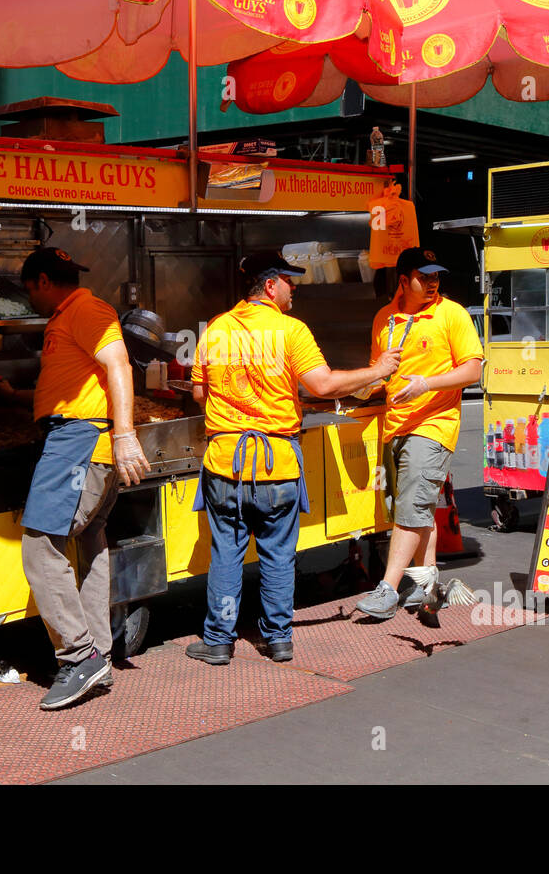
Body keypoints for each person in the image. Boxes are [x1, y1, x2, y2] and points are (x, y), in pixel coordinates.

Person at [183, 251, 402, 665]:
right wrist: (377, 370)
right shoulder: (292, 331)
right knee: (278, 556)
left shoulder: (215, 329)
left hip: (224, 463)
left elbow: (198, 393)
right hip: (276, 464)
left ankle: (218, 641)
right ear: (269, 285)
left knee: (226, 553)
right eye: (288, 279)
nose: (293, 287)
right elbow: (321, 385)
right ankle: (278, 639)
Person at [11, 247, 150, 709]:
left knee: (40, 544)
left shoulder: (87, 309)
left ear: (44, 281)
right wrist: (19, 397)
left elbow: (119, 365)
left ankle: (78, 656)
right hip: (80, 438)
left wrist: (126, 435)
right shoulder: (70, 316)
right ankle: (98, 653)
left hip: (80, 441)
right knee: (89, 538)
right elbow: (77, 379)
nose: (30, 299)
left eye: (30, 290)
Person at [354, 247, 483, 621]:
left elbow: (472, 370)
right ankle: (430, 590)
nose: (432, 283)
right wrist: (363, 386)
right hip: (396, 425)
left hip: (434, 425)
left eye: (436, 276)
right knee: (415, 510)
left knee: (411, 507)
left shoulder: (451, 314)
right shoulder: (384, 317)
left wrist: (427, 384)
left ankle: (388, 589)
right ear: (402, 281)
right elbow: (381, 372)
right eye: (423, 276)